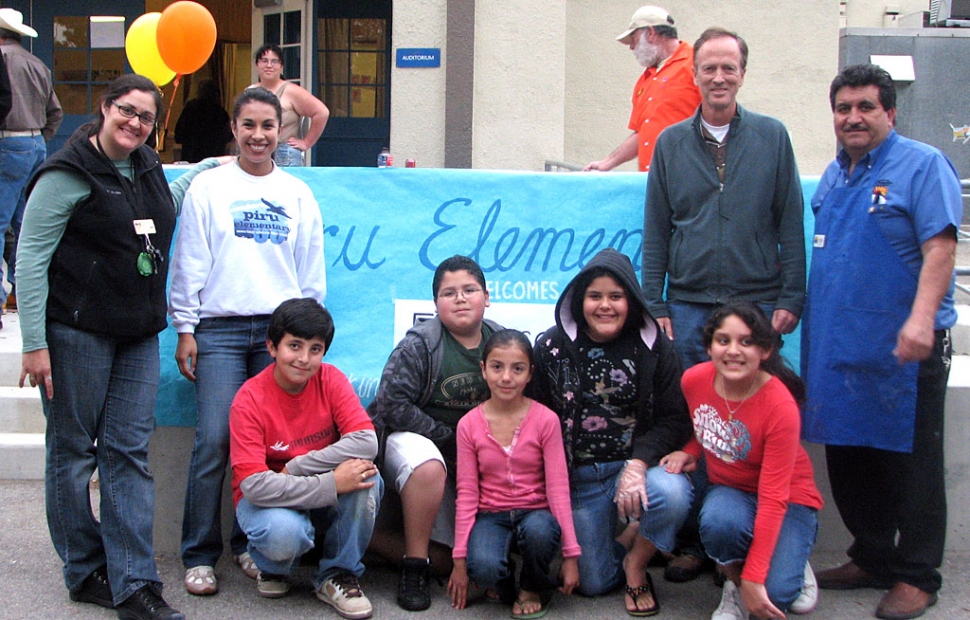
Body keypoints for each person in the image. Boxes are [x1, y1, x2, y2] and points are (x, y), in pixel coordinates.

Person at [17, 73, 225, 620]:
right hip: (74, 333)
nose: (135, 123)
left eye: (146, 118)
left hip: (135, 334)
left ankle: (135, 583)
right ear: (105, 108)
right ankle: (86, 570)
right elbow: (31, 260)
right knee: (72, 453)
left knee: (127, 453)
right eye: (126, 111)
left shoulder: (147, 166)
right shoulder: (67, 173)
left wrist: (208, 168)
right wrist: (34, 345)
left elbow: (161, 208)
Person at [802, 64, 962, 620]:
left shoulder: (922, 165)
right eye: (843, 108)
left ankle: (918, 575)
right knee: (850, 456)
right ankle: (872, 556)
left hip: (906, 348)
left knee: (912, 464)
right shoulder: (833, 175)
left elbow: (940, 249)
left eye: (865, 107)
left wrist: (922, 321)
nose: (853, 118)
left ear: (889, 112)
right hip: (843, 349)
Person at [168, 86, 327, 596]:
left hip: (278, 334)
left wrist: (305, 337)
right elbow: (189, 260)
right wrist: (186, 328)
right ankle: (198, 553)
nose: (259, 136)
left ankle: (248, 544)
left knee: (260, 448)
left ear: (282, 131)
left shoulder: (298, 193)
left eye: (268, 126)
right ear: (234, 130)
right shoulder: (208, 188)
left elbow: (310, 272)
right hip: (218, 330)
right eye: (249, 126)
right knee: (215, 438)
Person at [529, 247, 693, 616]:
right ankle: (629, 536)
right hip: (582, 480)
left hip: (636, 469)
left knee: (674, 493)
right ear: (579, 301)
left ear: (631, 300)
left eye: (616, 296)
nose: (606, 306)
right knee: (593, 583)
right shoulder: (551, 347)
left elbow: (675, 419)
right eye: (595, 296)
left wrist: (637, 464)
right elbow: (536, 416)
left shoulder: (656, 348)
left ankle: (637, 562)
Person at [643, 26, 805, 367]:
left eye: (729, 68)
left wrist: (791, 297)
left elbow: (790, 223)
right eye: (710, 68)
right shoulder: (669, 143)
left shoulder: (772, 136)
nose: (719, 78)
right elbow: (656, 229)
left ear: (742, 74)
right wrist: (654, 303)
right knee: (690, 407)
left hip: (757, 303)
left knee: (755, 406)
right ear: (695, 74)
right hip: (688, 306)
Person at [661, 303, 823, 619]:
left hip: (787, 497)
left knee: (777, 595)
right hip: (732, 491)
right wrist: (691, 450)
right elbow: (705, 422)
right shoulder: (694, 380)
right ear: (708, 347)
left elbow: (774, 497)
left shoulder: (780, 406)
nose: (733, 351)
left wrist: (756, 578)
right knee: (718, 522)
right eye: (723, 341)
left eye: (746, 342)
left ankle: (791, 555)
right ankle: (734, 585)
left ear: (764, 350)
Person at [229, 298, 382, 619]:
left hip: (303, 486)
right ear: (272, 347)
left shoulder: (331, 379)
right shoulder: (249, 399)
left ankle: (337, 574)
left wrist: (297, 468)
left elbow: (366, 441)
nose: (304, 358)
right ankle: (271, 566)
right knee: (285, 535)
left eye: (315, 349)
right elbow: (255, 486)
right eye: (294, 346)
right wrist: (330, 483)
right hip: (267, 501)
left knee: (367, 475)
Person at [367, 255, 503, 611]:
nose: (460, 298)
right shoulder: (419, 345)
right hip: (415, 444)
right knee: (427, 463)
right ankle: (413, 568)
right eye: (449, 292)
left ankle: (364, 541)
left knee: (459, 562)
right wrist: (450, 438)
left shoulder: (501, 343)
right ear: (435, 303)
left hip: (470, 456)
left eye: (469, 290)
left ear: (486, 297)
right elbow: (391, 405)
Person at [448, 329, 581, 618]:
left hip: (535, 512)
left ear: (530, 374)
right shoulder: (469, 425)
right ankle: (505, 583)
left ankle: (532, 586)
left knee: (539, 533)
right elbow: (468, 493)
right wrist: (459, 561)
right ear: (483, 370)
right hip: (491, 514)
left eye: (517, 368)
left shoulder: (546, 420)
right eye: (497, 367)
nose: (506, 377)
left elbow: (558, 488)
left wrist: (571, 555)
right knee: (482, 568)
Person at [0, 8, 63, 322]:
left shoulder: (3, 61)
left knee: (0, 223)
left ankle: (3, 296)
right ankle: (29, 295)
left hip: (6, 142)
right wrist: (39, 137)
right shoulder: (37, 64)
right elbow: (56, 113)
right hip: (34, 143)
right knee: (29, 224)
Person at [584, 5, 700, 173]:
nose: (631, 47)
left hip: (687, 181)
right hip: (651, 183)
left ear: (651, 33)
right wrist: (607, 162)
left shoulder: (697, 63)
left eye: (634, 39)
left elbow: (718, 121)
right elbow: (642, 134)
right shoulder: (644, 80)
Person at [250, 43, 329, 167]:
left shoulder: (291, 90)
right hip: (255, 151)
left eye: (274, 61)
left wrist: (306, 143)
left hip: (284, 154)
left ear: (281, 66)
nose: (269, 65)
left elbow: (322, 112)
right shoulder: (250, 92)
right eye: (264, 61)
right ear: (257, 64)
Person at [174, 78, 232, 162]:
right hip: (213, 161)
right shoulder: (220, 113)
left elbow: (178, 135)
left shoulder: (191, 108)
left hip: (192, 158)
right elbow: (228, 136)